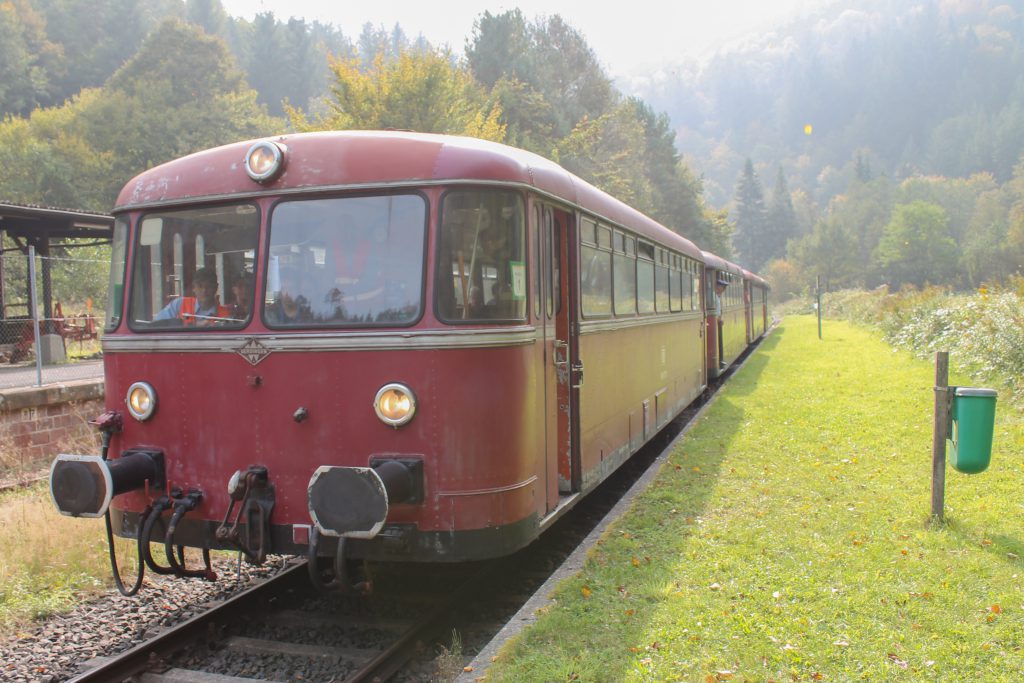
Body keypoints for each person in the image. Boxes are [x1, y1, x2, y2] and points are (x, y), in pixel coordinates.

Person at [153, 267, 231, 326]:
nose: (204, 290)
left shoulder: (226, 314)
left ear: (216, 288)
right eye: (200, 286)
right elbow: (156, 325)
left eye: (209, 286)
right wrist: (189, 325)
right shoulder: (179, 304)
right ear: (193, 288)